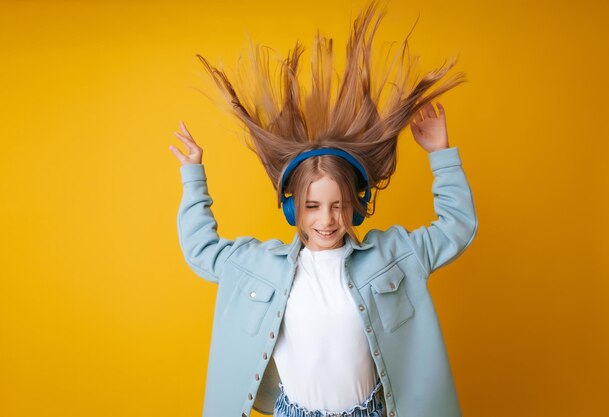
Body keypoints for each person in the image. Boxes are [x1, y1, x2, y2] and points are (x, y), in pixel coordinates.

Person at [169, 1, 478, 416]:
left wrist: (441, 155)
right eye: (313, 206)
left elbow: (457, 228)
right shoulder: (258, 266)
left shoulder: (395, 257)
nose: (326, 219)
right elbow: (201, 251)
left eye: (338, 205)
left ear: (355, 206)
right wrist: (193, 175)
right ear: (294, 209)